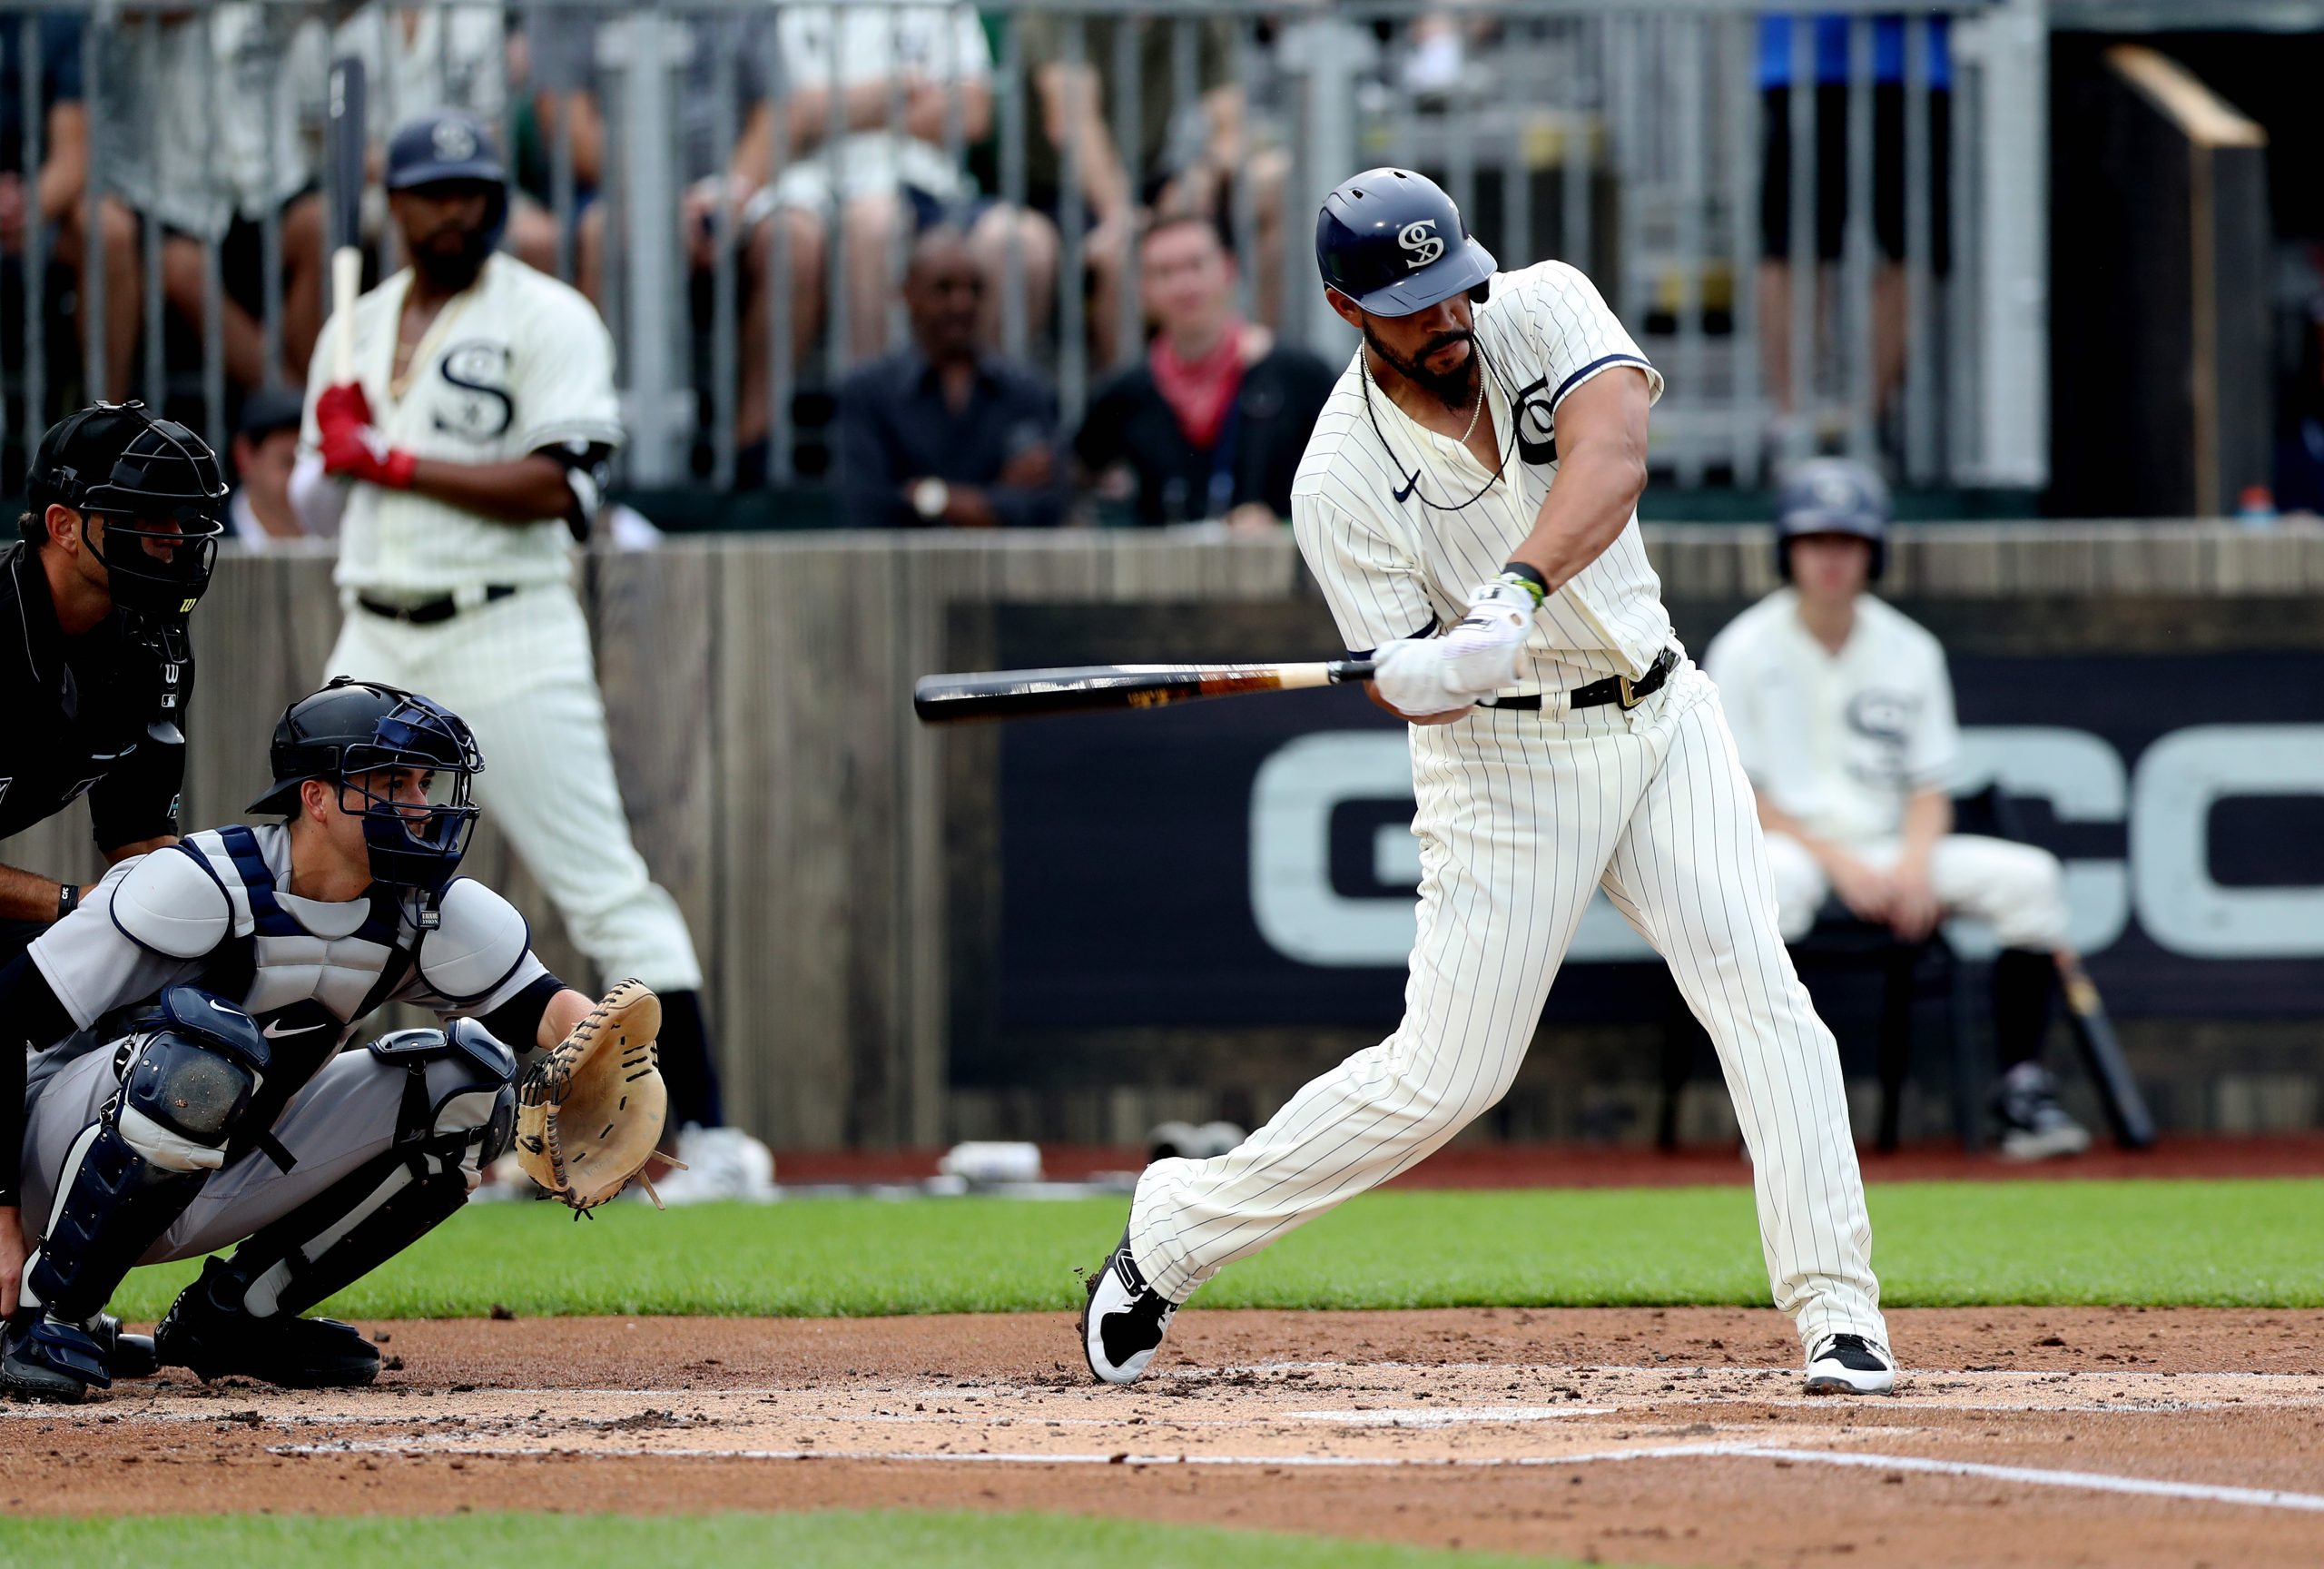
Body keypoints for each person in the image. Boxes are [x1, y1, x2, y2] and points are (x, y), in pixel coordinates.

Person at [1080, 168, 1895, 1397]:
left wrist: (1510, 592)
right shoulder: (1336, 480)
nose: (1447, 321)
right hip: (1503, 762)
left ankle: (1839, 1315)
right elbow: (1405, 687)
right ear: (1346, 309)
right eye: (1412, 307)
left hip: (1659, 711)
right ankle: (1174, 1232)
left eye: (1453, 289)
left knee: (1758, 993)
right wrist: (1427, 672)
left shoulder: (1545, 305)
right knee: (1447, 1077)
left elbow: (1613, 458)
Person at [288, 111, 771, 1202]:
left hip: (506, 619)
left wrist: (395, 457)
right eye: (430, 190)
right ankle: (293, 1134)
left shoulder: (548, 316)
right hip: (375, 625)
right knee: (320, 878)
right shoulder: (355, 325)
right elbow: (326, 500)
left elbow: (564, 487)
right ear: (396, 204)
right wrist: (336, 451)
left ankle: (711, 1134)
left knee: (604, 886)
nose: (453, 208)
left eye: (472, 188)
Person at [0, 678, 637, 1401]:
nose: (423, 807)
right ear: (316, 797)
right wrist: (0, 1226)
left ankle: (238, 1316)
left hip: (217, 1169)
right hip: (50, 1170)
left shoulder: (423, 912)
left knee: (469, 1087)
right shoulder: (198, 884)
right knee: (202, 1058)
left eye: (423, 784)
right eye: (393, 781)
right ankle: (47, 1314)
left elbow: (548, 1010)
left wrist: (608, 1066)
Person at [1704, 459, 2093, 1159]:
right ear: (1788, 549)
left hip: (1889, 846)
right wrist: (1842, 865)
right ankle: (1777, 1104)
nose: (1831, 558)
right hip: (1790, 845)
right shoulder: (1743, 647)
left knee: (2030, 881)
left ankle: (2021, 1094)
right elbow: (1739, 795)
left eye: (1847, 542)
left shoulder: (1911, 648)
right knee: (1771, 885)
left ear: (1873, 552)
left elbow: (1928, 788)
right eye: (1815, 540)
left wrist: (1914, 867)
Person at [0, 401, 225, 968]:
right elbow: (94, 907)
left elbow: (141, 835)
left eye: (178, 515)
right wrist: (80, 904)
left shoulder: (154, 637)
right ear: (63, 527)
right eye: (144, 514)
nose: (174, 536)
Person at [96, 6, 330, 391]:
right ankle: (298, 412)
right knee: (180, 269)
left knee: (319, 225)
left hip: (262, 183)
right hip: (169, 192)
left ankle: (314, 403)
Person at [1756, 13, 1952, 442]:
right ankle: (1793, 424)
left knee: (1916, 249)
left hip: (1915, 69)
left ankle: (1862, 423)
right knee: (1790, 247)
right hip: (1803, 63)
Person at [1073, 214, 1334, 528]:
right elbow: (1075, 482)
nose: (1184, 285)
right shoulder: (1124, 395)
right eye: (1164, 272)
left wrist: (1284, 525)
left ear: (1228, 268)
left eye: (1196, 265)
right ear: (1142, 289)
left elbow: (1355, 486)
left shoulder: (1300, 377)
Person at [836, 227, 1062, 530]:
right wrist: (996, 498)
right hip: (903, 574)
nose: (961, 304)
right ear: (907, 294)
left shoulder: (1024, 390)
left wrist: (930, 498)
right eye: (943, 289)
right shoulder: (867, 393)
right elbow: (870, 506)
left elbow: (1048, 506)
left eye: (974, 290)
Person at [224, 389, 313, 548]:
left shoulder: (346, 535)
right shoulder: (199, 539)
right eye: (288, 462)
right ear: (244, 457)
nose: (304, 478)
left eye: (312, 463)